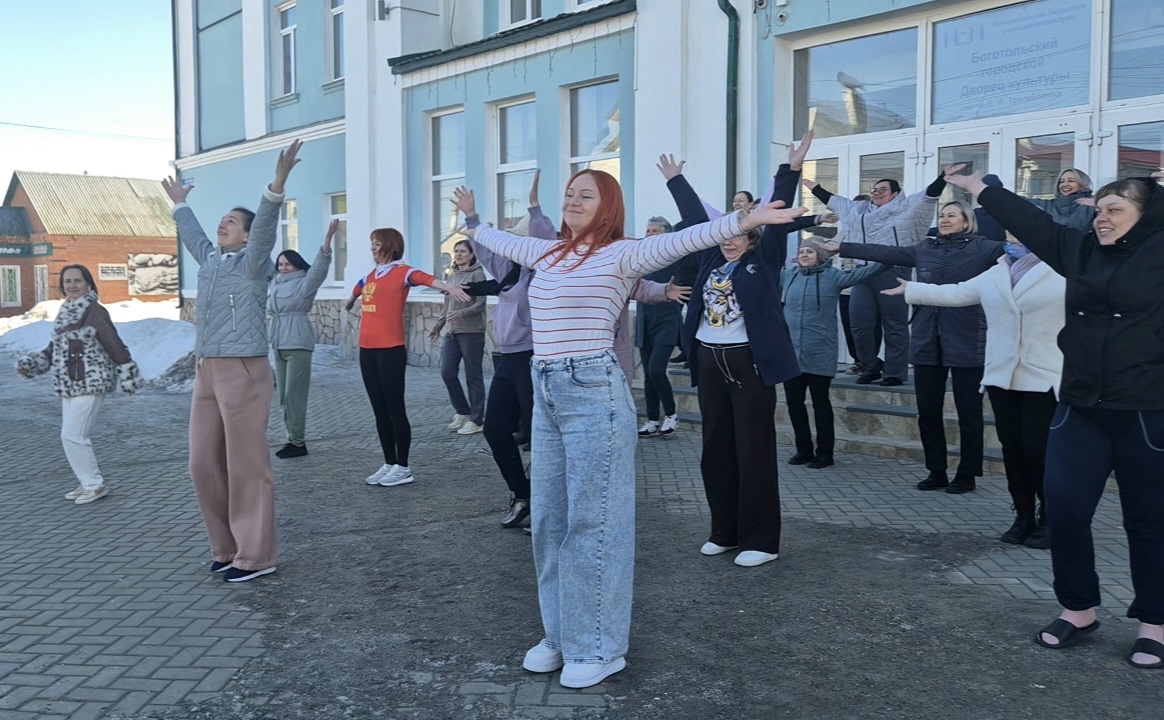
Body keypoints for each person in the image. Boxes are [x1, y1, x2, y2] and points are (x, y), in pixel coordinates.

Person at [450, 172, 805, 689]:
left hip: (593, 390)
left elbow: (688, 238)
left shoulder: (622, 254)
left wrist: (746, 219)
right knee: (549, 521)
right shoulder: (546, 252)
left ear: (608, 206)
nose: (573, 201)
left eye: (586, 195)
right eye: (569, 193)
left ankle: (598, 646)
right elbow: (495, 239)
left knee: (593, 522)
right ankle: (561, 634)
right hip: (546, 389)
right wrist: (472, 220)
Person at [948, 168, 1164, 670]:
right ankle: (1079, 609)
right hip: (1080, 407)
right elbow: (1034, 222)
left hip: (1147, 412)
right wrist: (981, 189)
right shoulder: (1080, 250)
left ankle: (1154, 623)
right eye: (1100, 210)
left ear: (1147, 214)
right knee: (1064, 511)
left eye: (1115, 210)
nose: (1103, 219)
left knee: (1148, 521)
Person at [659, 132, 813, 571]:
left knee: (753, 449)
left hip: (748, 363)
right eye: (729, 230)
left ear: (753, 236)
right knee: (716, 447)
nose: (731, 238)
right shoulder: (711, 258)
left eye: (742, 231)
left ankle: (761, 539)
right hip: (709, 360)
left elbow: (778, 212)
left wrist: (790, 170)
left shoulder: (764, 260)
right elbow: (696, 218)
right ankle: (724, 531)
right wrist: (676, 181)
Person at [161, 139, 302, 583]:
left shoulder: (253, 263)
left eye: (232, 221)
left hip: (243, 369)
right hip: (207, 369)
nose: (224, 224)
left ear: (246, 235)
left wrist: (276, 185)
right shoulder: (211, 262)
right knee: (202, 463)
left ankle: (257, 556)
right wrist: (181, 205)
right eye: (222, 219)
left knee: (247, 465)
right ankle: (225, 547)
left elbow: (266, 228)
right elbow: (194, 236)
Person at [882, 230, 1064, 547]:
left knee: (1038, 450)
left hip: (1043, 375)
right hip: (1003, 376)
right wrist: (913, 289)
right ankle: (1023, 515)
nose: (1013, 235)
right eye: (1009, 231)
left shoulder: (1061, 269)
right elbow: (958, 293)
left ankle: (1050, 518)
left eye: (1020, 228)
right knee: (1012, 450)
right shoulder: (997, 272)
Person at [821, 188, 1004, 494]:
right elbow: (884, 252)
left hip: (967, 338)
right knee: (928, 411)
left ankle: (967, 474)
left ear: (967, 221)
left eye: (952, 215)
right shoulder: (925, 247)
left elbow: (1021, 251)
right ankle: (936, 470)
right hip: (927, 337)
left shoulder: (984, 248)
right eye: (942, 215)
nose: (944, 219)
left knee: (968, 412)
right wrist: (842, 247)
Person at [800, 170, 946, 386]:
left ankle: (895, 373)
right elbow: (835, 201)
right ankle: (870, 366)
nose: (877, 193)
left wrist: (943, 178)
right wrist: (814, 188)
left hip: (893, 270)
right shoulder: (858, 209)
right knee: (859, 323)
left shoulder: (907, 207)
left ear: (895, 194)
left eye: (883, 190)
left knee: (894, 324)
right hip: (863, 271)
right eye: (875, 190)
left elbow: (928, 196)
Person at [347, 229, 467, 488]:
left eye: (377, 244)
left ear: (390, 246)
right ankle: (389, 462)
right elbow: (358, 287)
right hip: (367, 350)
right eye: (371, 244)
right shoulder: (371, 276)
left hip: (390, 350)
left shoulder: (402, 272)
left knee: (395, 409)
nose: (373, 248)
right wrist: (350, 299)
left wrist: (447, 286)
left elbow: (424, 278)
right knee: (379, 409)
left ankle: (403, 466)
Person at [16, 265, 143, 505]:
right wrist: (32, 365)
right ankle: (87, 482)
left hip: (91, 381)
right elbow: (54, 349)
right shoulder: (67, 310)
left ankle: (94, 485)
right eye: (68, 281)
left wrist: (127, 371)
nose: (72, 285)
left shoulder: (94, 311)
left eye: (77, 280)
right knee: (72, 436)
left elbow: (113, 343)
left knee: (73, 436)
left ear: (88, 284)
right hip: (70, 382)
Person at [781, 239, 888, 469]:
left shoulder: (833, 276)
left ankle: (825, 454)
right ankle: (803, 450)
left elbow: (866, 272)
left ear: (820, 255)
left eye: (809, 251)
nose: (804, 255)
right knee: (794, 403)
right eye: (801, 251)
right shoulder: (788, 276)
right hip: (791, 353)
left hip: (820, 350)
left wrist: (891, 257)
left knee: (820, 403)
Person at [267, 221, 335, 459]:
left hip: (297, 342)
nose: (283, 268)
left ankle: (298, 443)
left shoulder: (305, 282)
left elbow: (319, 269)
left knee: (294, 396)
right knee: (284, 397)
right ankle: (291, 438)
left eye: (287, 264)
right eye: (280, 264)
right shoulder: (275, 283)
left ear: (296, 265)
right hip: (278, 342)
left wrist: (327, 240)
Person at [430, 239, 487, 436]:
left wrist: (462, 314)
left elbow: (481, 303)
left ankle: (477, 420)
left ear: (472, 255)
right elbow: (447, 305)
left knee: (473, 376)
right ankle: (463, 411)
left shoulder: (477, 274)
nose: (459, 254)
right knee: (447, 372)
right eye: (456, 251)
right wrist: (438, 327)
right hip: (452, 332)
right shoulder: (452, 275)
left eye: (463, 251)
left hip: (472, 332)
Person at [636, 216, 683, 437]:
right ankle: (653, 420)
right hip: (644, 322)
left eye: (655, 231)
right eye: (648, 230)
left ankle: (671, 414)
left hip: (667, 322)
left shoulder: (674, 257)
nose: (649, 234)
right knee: (648, 374)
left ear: (666, 235)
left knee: (656, 370)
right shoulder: (640, 259)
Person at [1025, 168, 1096, 232]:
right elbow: (1021, 201)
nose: (1065, 184)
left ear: (1082, 184)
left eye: (1071, 181)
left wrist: (1098, 203)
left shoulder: (1093, 204)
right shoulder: (1048, 205)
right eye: (1061, 181)